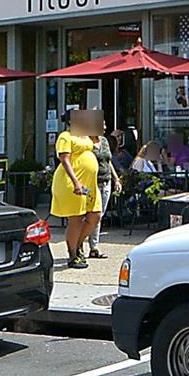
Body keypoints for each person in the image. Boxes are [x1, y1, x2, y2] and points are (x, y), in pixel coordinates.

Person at [52, 107, 104, 270]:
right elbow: (65, 160)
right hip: (72, 182)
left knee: (94, 216)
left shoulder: (87, 136)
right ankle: (73, 254)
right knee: (76, 218)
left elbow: (99, 142)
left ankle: (79, 244)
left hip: (89, 184)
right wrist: (76, 182)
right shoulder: (65, 136)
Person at [90, 128, 121, 259]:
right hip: (92, 182)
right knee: (91, 215)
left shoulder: (104, 141)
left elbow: (108, 162)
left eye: (103, 125)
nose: (103, 128)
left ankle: (94, 247)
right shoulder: (85, 142)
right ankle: (80, 245)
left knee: (99, 215)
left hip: (106, 181)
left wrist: (116, 179)